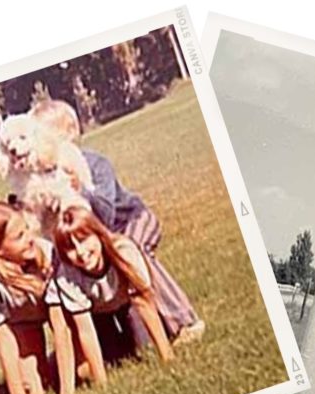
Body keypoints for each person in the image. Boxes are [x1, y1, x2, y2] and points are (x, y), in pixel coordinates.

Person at [30, 99, 205, 345]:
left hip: (130, 219)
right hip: (99, 237)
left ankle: (183, 321)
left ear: (69, 134)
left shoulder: (94, 164)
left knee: (134, 252)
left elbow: (106, 213)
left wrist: (80, 190)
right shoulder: (46, 177)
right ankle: (121, 339)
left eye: (45, 137)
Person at [0, 201, 89, 394]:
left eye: (26, 229)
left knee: (83, 372)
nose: (30, 238)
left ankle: (66, 361)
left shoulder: (47, 253)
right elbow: (5, 343)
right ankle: (44, 368)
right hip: (24, 323)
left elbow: (60, 328)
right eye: (19, 237)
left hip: (62, 314)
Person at [51, 206, 175, 386]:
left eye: (84, 239)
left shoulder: (124, 250)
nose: (80, 252)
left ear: (98, 234)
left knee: (143, 348)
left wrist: (167, 356)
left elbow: (144, 302)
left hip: (128, 305)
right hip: (98, 316)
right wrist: (101, 382)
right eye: (70, 247)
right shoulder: (66, 275)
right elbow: (85, 329)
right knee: (112, 360)